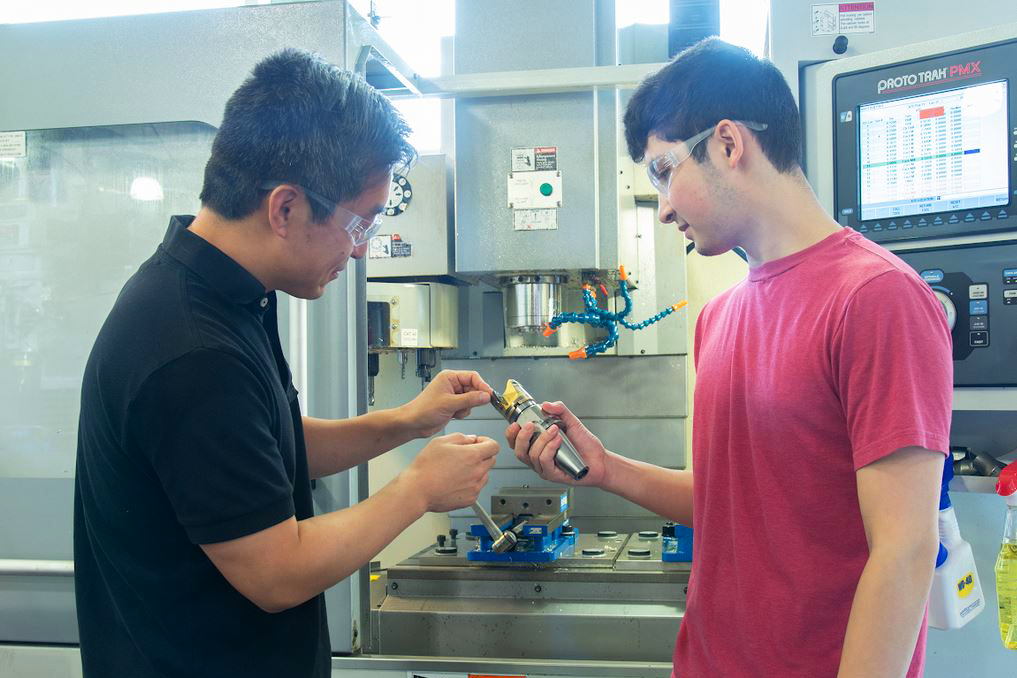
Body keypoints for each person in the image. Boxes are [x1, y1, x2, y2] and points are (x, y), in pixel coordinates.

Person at [508, 38, 952, 678]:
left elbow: (905, 550)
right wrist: (604, 468)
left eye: (663, 172)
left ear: (727, 143)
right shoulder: (719, 319)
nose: (661, 209)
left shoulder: (878, 300)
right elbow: (728, 505)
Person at [74, 48, 499, 678]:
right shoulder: (192, 349)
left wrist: (407, 423)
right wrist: (418, 489)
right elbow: (278, 572)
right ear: (285, 208)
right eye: (361, 224)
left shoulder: (220, 297)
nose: (360, 253)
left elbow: (259, 452)